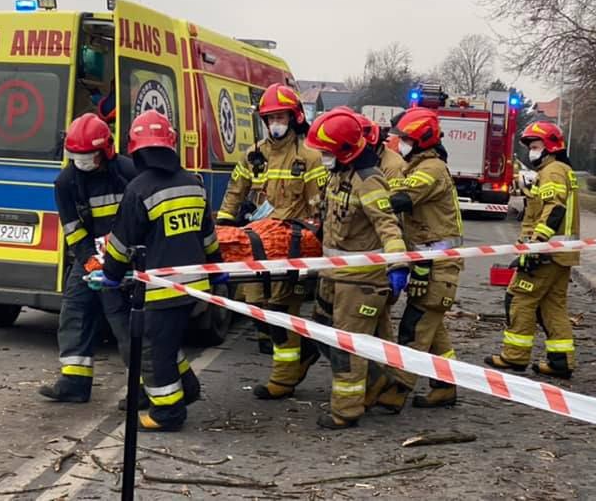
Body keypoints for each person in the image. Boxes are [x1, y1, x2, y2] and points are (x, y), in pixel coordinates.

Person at [101, 110, 226, 432]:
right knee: (166, 342)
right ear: (170, 146)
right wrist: (218, 268)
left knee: (153, 349)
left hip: (161, 286)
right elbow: (208, 235)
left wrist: (111, 275)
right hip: (195, 286)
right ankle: (189, 387)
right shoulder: (194, 184)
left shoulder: (139, 189)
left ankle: (168, 413)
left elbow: (122, 242)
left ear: (137, 149)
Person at [216, 83, 328, 398]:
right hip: (256, 246)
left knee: (281, 313)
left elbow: (319, 207)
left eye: (281, 116)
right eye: (271, 117)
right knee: (256, 309)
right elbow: (233, 196)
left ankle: (283, 378)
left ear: (293, 118)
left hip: (288, 247)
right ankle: (302, 353)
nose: (276, 123)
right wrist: (224, 230)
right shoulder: (253, 156)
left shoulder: (309, 158)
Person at [304, 108, 408, 429]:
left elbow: (388, 226)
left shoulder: (369, 180)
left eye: (326, 152)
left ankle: (347, 410)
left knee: (345, 347)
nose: (323, 157)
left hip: (360, 281)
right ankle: (378, 382)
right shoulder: (339, 174)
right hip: (333, 275)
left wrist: (398, 263)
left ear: (346, 151)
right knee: (321, 331)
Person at [367, 108, 464, 412]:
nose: (400, 144)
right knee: (433, 331)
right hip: (429, 261)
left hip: (438, 265)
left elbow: (402, 199)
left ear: (422, 140)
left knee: (415, 328)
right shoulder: (418, 166)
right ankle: (446, 386)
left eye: (406, 139)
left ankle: (398, 388)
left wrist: (366, 201)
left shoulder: (431, 168)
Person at [38, 113, 136, 403]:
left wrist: (117, 266)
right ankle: (74, 381)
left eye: (88, 156)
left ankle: (144, 385)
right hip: (91, 257)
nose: (81, 161)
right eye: (76, 155)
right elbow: (74, 232)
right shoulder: (66, 182)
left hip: (126, 257)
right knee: (74, 308)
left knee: (124, 321)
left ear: (105, 150)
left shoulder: (128, 173)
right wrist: (93, 265)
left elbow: (138, 222)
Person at [485, 121, 579, 380]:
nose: (532, 152)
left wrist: (536, 246)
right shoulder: (561, 170)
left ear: (550, 147)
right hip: (561, 253)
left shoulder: (553, 171)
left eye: (536, 146)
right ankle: (561, 361)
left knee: (519, 298)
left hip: (547, 252)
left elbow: (554, 209)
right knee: (553, 306)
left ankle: (514, 356)